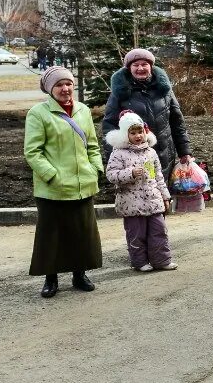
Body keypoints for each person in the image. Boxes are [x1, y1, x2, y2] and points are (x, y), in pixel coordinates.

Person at [24, 65, 104, 298]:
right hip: (53, 187)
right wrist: (52, 175)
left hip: (83, 184)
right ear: (50, 89)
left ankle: (80, 274)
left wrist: (95, 168)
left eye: (68, 83)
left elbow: (92, 145)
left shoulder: (83, 110)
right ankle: (51, 278)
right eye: (59, 85)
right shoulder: (38, 113)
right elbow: (33, 152)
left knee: (82, 232)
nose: (65, 88)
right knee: (53, 234)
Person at [102, 49, 191, 200]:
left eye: (144, 64)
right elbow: (109, 125)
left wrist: (185, 151)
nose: (140, 68)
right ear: (129, 68)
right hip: (133, 157)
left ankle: (160, 222)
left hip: (163, 153)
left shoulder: (164, 90)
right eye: (135, 65)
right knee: (140, 196)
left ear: (151, 66)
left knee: (161, 194)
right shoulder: (120, 93)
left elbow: (177, 122)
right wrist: (114, 157)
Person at [105, 110, 176, 272]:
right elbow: (111, 175)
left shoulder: (150, 152)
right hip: (131, 204)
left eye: (140, 132)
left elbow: (157, 176)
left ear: (146, 132)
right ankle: (140, 262)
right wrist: (130, 173)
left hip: (153, 199)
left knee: (159, 231)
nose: (138, 136)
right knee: (136, 235)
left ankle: (162, 260)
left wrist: (165, 196)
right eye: (133, 133)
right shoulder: (119, 153)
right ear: (126, 135)